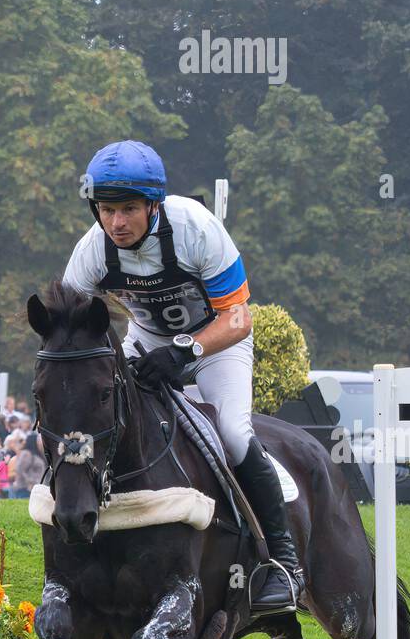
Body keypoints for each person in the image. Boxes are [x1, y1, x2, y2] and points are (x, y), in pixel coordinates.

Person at [62, 139, 304, 614]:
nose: (117, 223)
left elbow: (239, 319)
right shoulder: (91, 252)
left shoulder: (195, 228)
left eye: (129, 209)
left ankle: (283, 564)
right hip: (145, 343)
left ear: (154, 205)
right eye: (107, 210)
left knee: (232, 434)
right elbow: (71, 327)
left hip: (214, 343)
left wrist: (186, 350)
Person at [9, 430, 46, 499]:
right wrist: (30, 482)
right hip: (26, 489)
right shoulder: (27, 454)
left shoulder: (37, 454)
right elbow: (20, 469)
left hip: (34, 489)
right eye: (39, 441)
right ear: (33, 441)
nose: (41, 443)